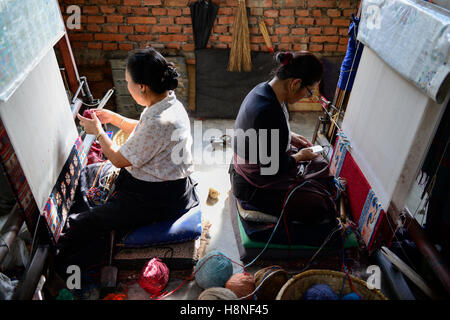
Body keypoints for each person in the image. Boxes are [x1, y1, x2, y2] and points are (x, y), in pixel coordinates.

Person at [56, 47, 198, 275]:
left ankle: (65, 268)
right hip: (173, 185)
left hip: (155, 197)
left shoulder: (159, 120)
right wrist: (114, 118)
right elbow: (143, 129)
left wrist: (99, 133)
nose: (127, 85)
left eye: (128, 82)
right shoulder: (168, 103)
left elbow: (118, 160)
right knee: (89, 173)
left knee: (85, 222)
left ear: (142, 86)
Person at [230, 51, 337, 225]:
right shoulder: (268, 111)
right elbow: (271, 167)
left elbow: (262, 133)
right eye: (309, 92)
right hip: (253, 186)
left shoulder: (263, 90)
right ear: (295, 83)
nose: (307, 96)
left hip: (253, 163)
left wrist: (290, 136)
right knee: (322, 206)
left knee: (320, 166)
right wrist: (299, 157)